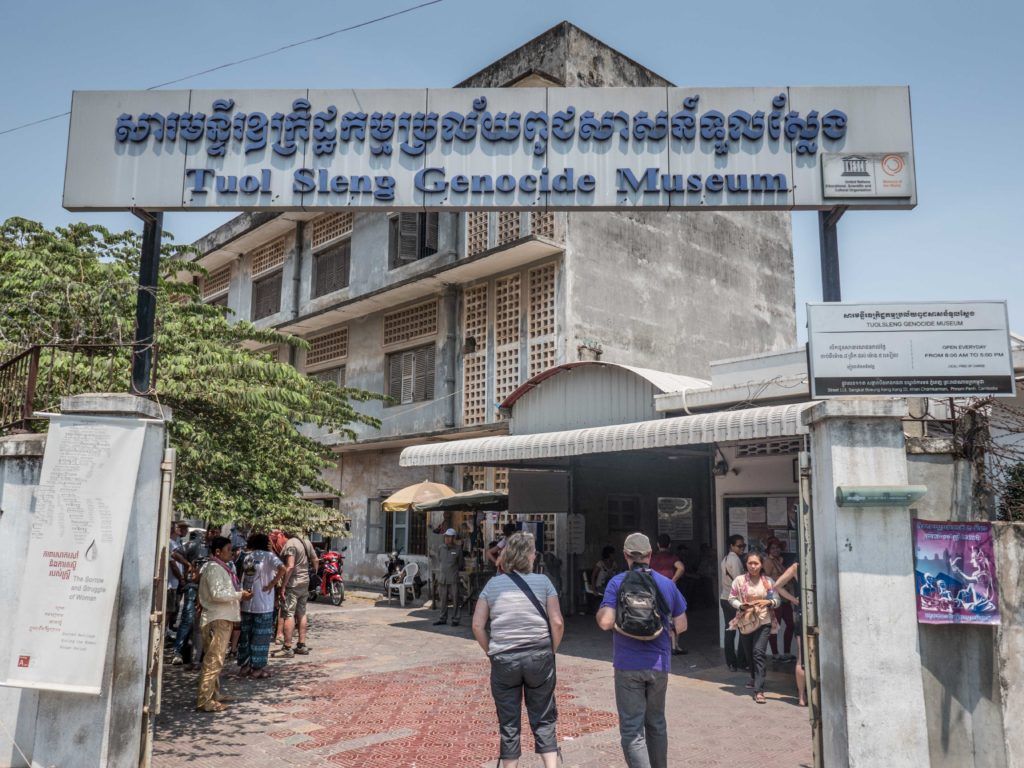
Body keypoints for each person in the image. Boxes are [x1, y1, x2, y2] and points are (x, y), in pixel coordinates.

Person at [472, 532, 563, 768]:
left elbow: (477, 625)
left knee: (509, 723)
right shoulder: (544, 582)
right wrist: (551, 650)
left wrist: (491, 650)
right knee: (543, 717)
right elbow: (557, 623)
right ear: (530, 556)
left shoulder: (493, 585)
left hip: (504, 658)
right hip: (539, 655)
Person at [597, 533, 687, 768]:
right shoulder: (666, 584)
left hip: (627, 664)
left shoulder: (617, 582)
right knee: (656, 723)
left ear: (626, 555)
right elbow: (682, 625)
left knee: (632, 729)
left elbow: (606, 622)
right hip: (659, 665)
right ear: (649, 555)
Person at [196, 536, 251, 712]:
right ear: (218, 552)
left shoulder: (222, 568)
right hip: (216, 618)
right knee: (214, 660)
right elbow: (217, 594)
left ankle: (214, 694)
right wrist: (239, 594)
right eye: (229, 549)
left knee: (216, 659)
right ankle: (205, 700)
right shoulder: (214, 568)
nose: (232, 553)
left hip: (221, 617)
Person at [728, 552, 781, 703]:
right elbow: (731, 598)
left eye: (756, 563)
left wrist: (769, 603)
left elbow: (777, 600)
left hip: (764, 620)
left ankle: (759, 690)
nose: (753, 566)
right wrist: (740, 605)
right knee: (749, 653)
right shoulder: (739, 581)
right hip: (745, 622)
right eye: (750, 563)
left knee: (758, 652)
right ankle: (753, 676)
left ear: (761, 565)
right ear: (746, 564)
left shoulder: (768, 582)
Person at [237, 533, 285, 679]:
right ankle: (257, 669)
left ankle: (245, 666)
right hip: (264, 604)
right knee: (261, 637)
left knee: (246, 636)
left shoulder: (248, 557)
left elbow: (248, 578)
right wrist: (272, 584)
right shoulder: (269, 556)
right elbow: (284, 568)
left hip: (248, 603)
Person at [172, 524, 219, 666]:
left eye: (217, 532)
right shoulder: (195, 545)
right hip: (194, 587)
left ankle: (202, 654)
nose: (214, 534)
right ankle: (178, 652)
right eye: (212, 532)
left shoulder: (217, 549)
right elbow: (175, 553)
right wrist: (188, 564)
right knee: (188, 617)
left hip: (210, 590)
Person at [278, 530, 318, 658]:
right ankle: (301, 644)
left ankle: (287, 647)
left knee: (289, 613)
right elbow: (315, 559)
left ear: (285, 534)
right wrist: (313, 573)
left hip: (293, 583)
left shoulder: (291, 543)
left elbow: (290, 566)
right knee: (302, 613)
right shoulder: (306, 542)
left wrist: (283, 585)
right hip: (304, 582)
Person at [649, 534, 687, 656]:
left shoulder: (652, 558)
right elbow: (681, 568)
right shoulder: (672, 557)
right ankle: (674, 646)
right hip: (669, 590)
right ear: (669, 545)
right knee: (674, 616)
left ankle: (658, 644)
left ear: (658, 545)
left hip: (655, 591)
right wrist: (673, 580)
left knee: (657, 616)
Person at [719, 534, 748, 672]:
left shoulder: (724, 559)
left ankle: (731, 662)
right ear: (731, 546)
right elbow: (739, 582)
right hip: (735, 600)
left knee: (730, 631)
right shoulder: (735, 560)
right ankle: (742, 661)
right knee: (743, 630)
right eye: (739, 546)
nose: (742, 548)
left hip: (725, 598)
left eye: (743, 545)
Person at [763, 538, 795, 661]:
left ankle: (786, 652)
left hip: (785, 597)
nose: (776, 550)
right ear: (769, 550)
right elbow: (767, 579)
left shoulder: (778, 561)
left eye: (778, 547)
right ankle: (775, 653)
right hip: (776, 598)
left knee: (790, 625)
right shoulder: (768, 562)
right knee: (775, 627)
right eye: (773, 548)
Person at [434, 528, 465, 626]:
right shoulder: (441, 548)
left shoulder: (458, 549)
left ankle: (455, 619)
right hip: (443, 578)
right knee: (443, 600)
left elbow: (461, 564)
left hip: (453, 579)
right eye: (446, 536)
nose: (447, 539)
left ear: (453, 538)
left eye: (449, 537)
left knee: (455, 599)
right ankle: (442, 618)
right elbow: (440, 559)